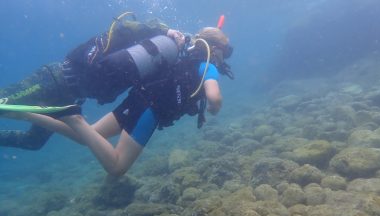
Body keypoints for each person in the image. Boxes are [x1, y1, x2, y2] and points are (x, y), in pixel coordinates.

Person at [3, 26, 234, 176]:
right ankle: (75, 118)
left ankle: (28, 114)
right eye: (226, 51)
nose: (226, 57)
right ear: (215, 49)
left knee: (87, 137)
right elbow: (213, 96)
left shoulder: (182, 58)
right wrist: (215, 107)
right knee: (116, 166)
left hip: (139, 99)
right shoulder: (208, 66)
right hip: (150, 112)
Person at [0, 12, 185, 150]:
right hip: (55, 78)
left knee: (34, 142)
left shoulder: (143, 61)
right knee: (4, 102)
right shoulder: (131, 35)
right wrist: (164, 30)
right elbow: (131, 25)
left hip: (68, 99)